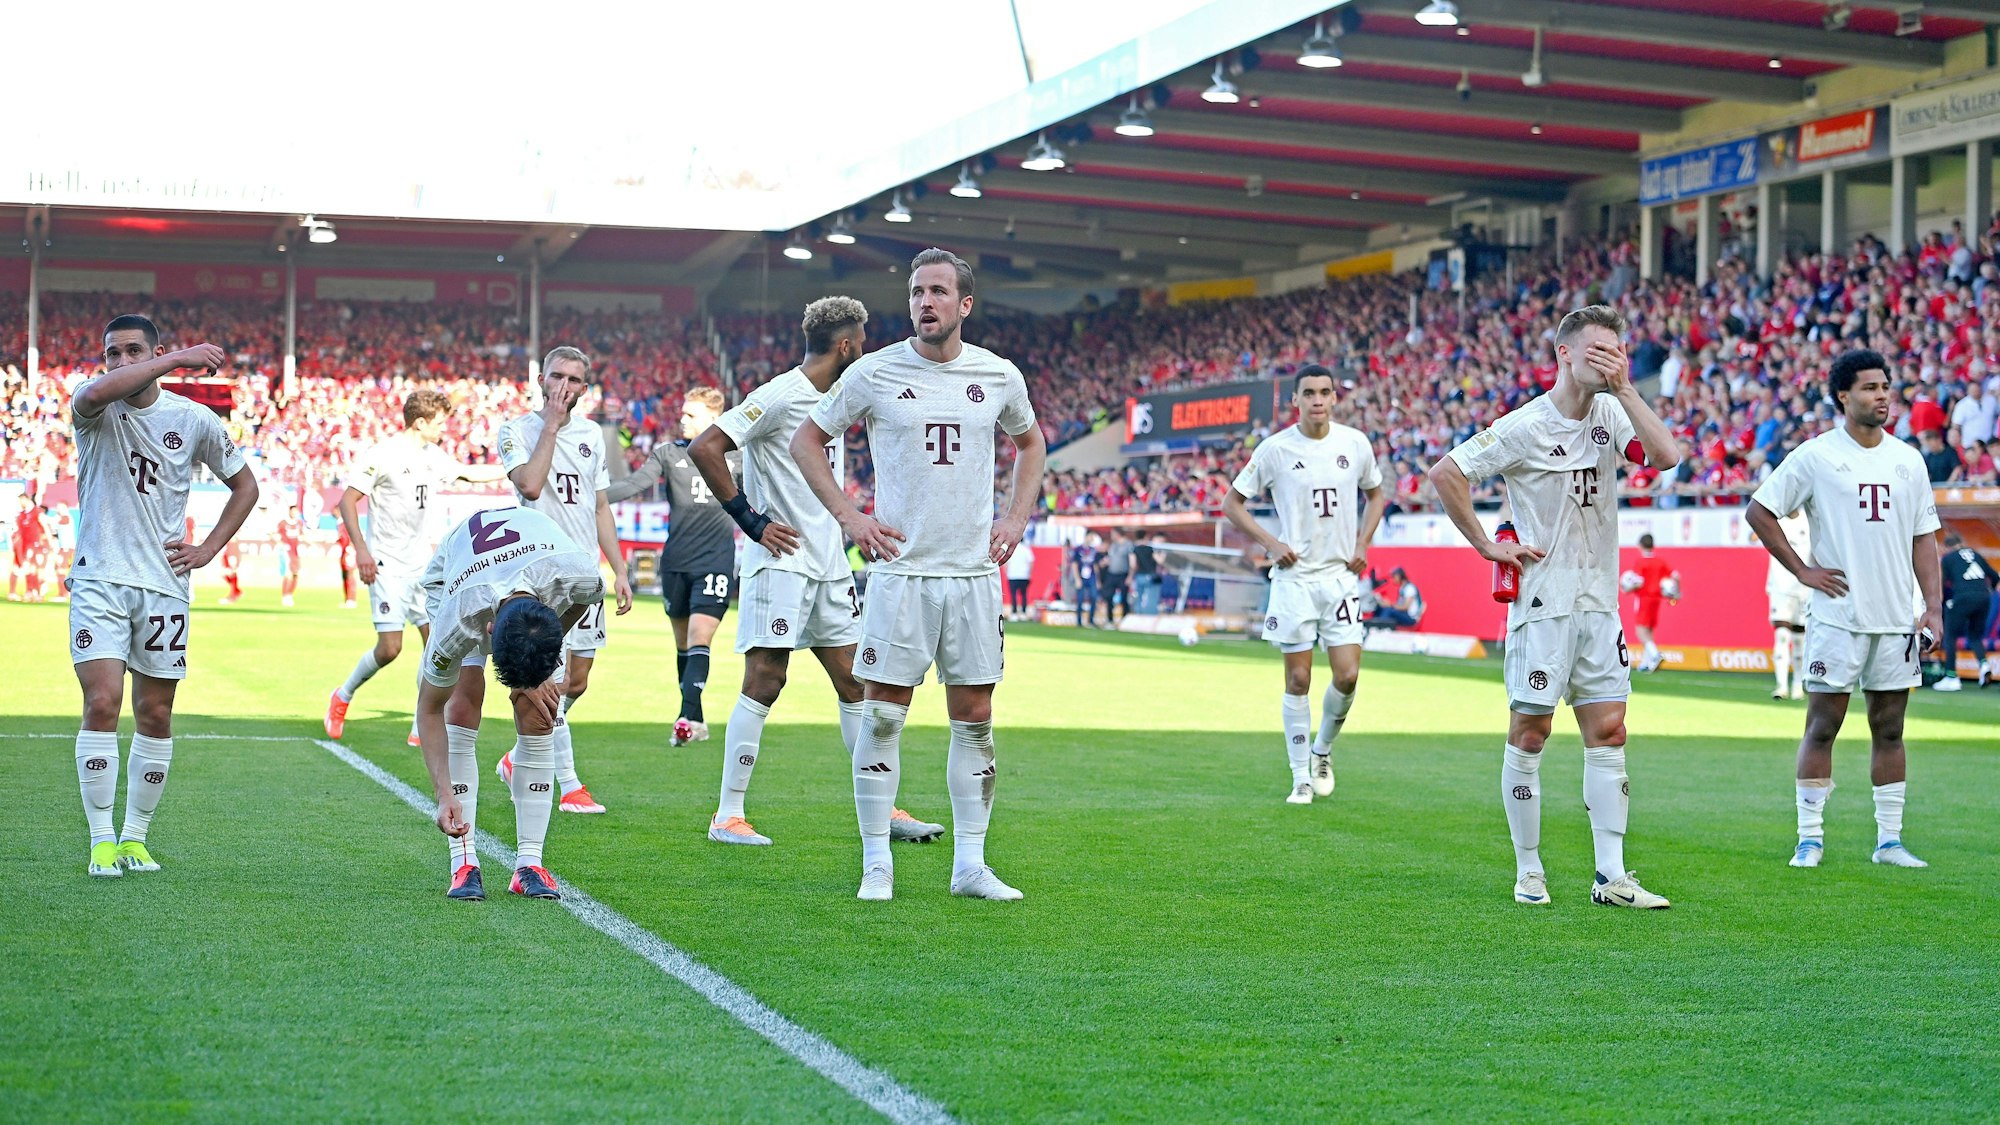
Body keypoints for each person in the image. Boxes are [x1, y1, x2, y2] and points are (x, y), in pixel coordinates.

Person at [789, 247, 1047, 902]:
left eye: (937, 291)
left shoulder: (997, 375)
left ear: (964, 304)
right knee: (880, 717)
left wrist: (1016, 518)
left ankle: (970, 866)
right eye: (915, 291)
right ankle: (878, 861)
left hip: (970, 575)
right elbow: (806, 441)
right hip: (901, 574)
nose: (924, 302)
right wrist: (851, 517)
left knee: (976, 717)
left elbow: (1031, 443)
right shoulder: (875, 373)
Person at [1429, 304, 1680, 909]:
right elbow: (1446, 473)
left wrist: (1624, 386)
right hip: (1544, 604)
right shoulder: (1523, 425)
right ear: (1564, 355)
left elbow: (1667, 457)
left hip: (1599, 604)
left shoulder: (1615, 414)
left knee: (1610, 730)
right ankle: (1529, 869)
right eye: (1597, 351)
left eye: (1616, 351)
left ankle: (1611, 877)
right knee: (1532, 732)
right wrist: (1489, 545)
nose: (1609, 361)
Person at [688, 295, 944, 846]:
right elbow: (706, 446)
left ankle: (884, 807)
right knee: (766, 678)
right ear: (847, 345)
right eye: (863, 341)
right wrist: (751, 522)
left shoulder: (835, 399)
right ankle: (727, 815)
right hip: (780, 562)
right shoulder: (781, 395)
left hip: (828, 566)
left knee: (855, 681)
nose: (866, 350)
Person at [67, 314, 259, 877]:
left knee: (154, 712)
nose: (121, 362)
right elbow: (100, 389)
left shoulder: (194, 419)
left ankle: (134, 836)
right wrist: (176, 361)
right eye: (113, 353)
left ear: (153, 349)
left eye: (133, 351)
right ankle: (101, 839)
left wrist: (207, 549)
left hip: (165, 587)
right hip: (100, 577)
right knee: (102, 702)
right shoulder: (94, 407)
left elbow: (246, 486)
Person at [1746, 348, 1943, 871]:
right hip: (1836, 617)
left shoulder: (1908, 459)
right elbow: (1759, 510)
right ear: (1843, 396)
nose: (1882, 396)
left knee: (1891, 727)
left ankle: (1889, 841)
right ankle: (1809, 838)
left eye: (1886, 387)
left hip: (1897, 617)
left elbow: (1925, 538)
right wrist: (1803, 571)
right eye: (1870, 388)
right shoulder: (1816, 455)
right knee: (1822, 726)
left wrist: (1934, 608)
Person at [413, 506, 611, 901]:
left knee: (540, 711)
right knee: (464, 702)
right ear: (488, 631)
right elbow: (429, 709)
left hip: (535, 569)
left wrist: (536, 675)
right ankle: (463, 862)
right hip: (456, 575)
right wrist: (442, 795)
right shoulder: (460, 618)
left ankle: (529, 864)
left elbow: (580, 603)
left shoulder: (582, 575)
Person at [1222, 364, 1388, 804]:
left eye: (1325, 392)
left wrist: (1363, 542)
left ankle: (1322, 751)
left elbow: (1376, 493)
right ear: (1294, 400)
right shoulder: (1275, 450)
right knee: (1298, 680)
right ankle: (1300, 776)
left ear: (1335, 398)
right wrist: (1271, 542)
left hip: (1340, 578)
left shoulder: (1355, 444)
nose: (1318, 399)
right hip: (1294, 581)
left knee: (1348, 676)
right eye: (1309, 392)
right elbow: (1232, 504)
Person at [490, 347, 635, 815]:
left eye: (574, 380)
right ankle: (569, 784)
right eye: (556, 377)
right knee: (550, 676)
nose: (564, 387)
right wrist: (550, 425)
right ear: (540, 379)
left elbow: (598, 507)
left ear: (585, 390)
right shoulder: (516, 430)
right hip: (539, 575)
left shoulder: (593, 434)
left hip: (584, 575)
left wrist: (620, 569)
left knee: (576, 681)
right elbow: (529, 486)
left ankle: (517, 757)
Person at [325, 389, 508, 742]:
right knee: (390, 648)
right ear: (421, 422)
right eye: (439, 422)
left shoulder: (433, 455)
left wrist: (511, 469)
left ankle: (419, 723)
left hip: (421, 566)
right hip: (385, 563)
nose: (444, 428)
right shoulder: (383, 454)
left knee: (436, 645)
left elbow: (468, 474)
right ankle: (343, 695)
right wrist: (361, 550)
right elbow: (348, 500)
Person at [607, 387, 738, 747]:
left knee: (699, 636)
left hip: (715, 561)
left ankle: (684, 717)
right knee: (683, 644)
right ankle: (696, 719)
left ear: (714, 419)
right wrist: (593, 497)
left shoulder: (738, 457)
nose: (682, 420)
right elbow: (635, 483)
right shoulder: (667, 453)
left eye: (690, 415)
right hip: (676, 561)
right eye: (682, 413)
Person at [1936, 531, 1996, 690]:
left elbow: (1943, 583)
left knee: (1950, 635)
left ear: (1947, 547)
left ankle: (1951, 676)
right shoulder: (1976, 554)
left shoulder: (1948, 558)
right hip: (1984, 598)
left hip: (1962, 598)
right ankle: (1984, 666)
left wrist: (1939, 604)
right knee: (1975, 636)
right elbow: (1995, 577)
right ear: (1961, 542)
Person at [1766, 509, 1812, 700]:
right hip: (1780, 586)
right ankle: (1781, 686)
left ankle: (1797, 686)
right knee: (1782, 636)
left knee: (1800, 640)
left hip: (1802, 589)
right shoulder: (1774, 520)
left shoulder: (1808, 520)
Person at [1624, 534, 1678, 672]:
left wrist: (1626, 588)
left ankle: (1654, 655)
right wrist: (1675, 593)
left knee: (1640, 631)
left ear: (1640, 546)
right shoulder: (1660, 562)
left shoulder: (1641, 562)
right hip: (1656, 599)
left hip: (1644, 598)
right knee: (1649, 630)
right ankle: (1646, 663)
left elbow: (1638, 581)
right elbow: (1675, 576)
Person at [11, 494, 46, 602]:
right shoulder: (22, 514)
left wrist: (48, 541)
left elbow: (44, 526)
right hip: (23, 546)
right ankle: (30, 592)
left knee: (33, 568)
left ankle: (34, 592)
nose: (20, 503)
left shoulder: (36, 511)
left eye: (21, 501)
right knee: (26, 568)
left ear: (25, 499)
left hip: (34, 545)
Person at [1067, 533, 1102, 628]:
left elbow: (1095, 565)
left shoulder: (1093, 550)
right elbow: (1074, 565)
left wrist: (1098, 580)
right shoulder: (1078, 550)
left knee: (1094, 597)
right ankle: (1079, 621)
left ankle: (1091, 620)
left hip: (1091, 577)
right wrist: (1077, 579)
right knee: (1080, 599)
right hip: (1081, 577)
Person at [1102, 528, 1133, 625]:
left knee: (1124, 598)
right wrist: (1104, 562)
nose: (1111, 536)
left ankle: (1125, 620)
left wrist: (1130, 576)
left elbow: (1132, 562)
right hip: (1111, 574)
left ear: (1118, 534)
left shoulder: (1128, 545)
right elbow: (1110, 558)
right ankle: (1110, 620)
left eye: (1112, 534)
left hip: (1123, 574)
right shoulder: (1113, 545)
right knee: (1108, 596)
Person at [1005, 528, 1035, 620]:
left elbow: (1005, 562)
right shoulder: (1026, 550)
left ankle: (1014, 613)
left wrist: (1007, 573)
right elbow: (1031, 562)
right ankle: (1023, 612)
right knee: (1024, 594)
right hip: (1024, 575)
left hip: (1012, 575)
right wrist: (1029, 574)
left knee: (1013, 594)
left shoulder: (1010, 549)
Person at [276, 504, 303, 608]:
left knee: (296, 574)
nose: (295, 513)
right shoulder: (283, 523)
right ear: (289, 511)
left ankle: (290, 594)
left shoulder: (299, 524)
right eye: (293, 511)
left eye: (296, 511)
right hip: (287, 552)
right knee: (288, 574)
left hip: (296, 552)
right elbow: (278, 536)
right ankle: (285, 596)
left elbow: (301, 535)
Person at [1132, 531, 1161, 615]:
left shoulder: (1134, 549)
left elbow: (1133, 565)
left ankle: (1138, 613)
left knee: (1139, 596)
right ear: (1146, 536)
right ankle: (1150, 614)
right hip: (1151, 575)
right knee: (1151, 596)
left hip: (1139, 575)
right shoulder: (1150, 548)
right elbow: (1159, 560)